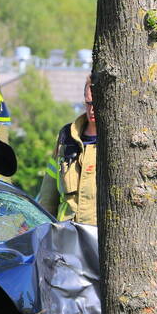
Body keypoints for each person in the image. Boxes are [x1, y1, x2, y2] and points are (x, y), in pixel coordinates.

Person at [37, 76, 97, 224]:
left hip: (97, 238)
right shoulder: (67, 137)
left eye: (97, 103)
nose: (92, 109)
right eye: (88, 103)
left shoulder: (115, 141)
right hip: (66, 235)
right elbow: (48, 195)